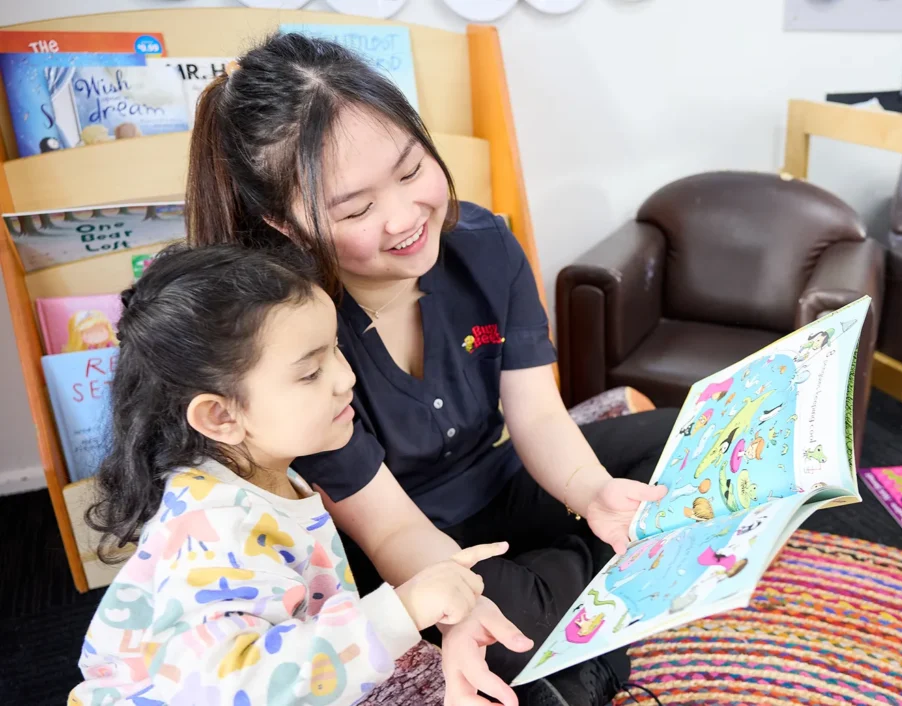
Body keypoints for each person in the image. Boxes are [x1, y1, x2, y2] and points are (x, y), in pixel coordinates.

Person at [186, 33, 678, 705]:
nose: (404, 217)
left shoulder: (485, 245)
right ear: (289, 226)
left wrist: (590, 490)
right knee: (501, 634)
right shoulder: (294, 337)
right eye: (356, 209)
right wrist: (455, 603)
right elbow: (389, 527)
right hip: (402, 545)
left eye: (413, 170)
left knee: (688, 441)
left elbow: (535, 414)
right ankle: (596, 587)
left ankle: (580, 592)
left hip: (500, 482)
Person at [69, 245, 531, 706]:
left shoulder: (263, 477)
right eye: (310, 372)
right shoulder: (211, 531)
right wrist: (405, 609)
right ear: (219, 416)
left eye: (336, 349)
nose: (345, 378)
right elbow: (238, 689)